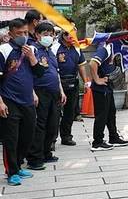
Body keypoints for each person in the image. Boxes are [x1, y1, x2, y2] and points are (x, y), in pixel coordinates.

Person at [0, 19, 44, 185]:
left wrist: (32, 57)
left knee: (27, 135)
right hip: (9, 100)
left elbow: (39, 73)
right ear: (11, 33)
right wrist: (0, 102)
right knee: (11, 138)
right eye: (19, 34)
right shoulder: (4, 50)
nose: (23, 36)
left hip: (28, 100)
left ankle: (18, 165)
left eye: (26, 33)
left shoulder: (31, 49)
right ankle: (11, 172)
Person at [27, 22, 66, 169]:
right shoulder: (33, 50)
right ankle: (35, 158)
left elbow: (55, 72)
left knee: (53, 125)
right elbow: (29, 73)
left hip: (54, 93)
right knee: (40, 125)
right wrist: (32, 93)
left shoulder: (50, 51)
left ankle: (46, 152)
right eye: (45, 34)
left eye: (51, 34)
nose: (49, 37)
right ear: (37, 35)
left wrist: (61, 91)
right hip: (40, 92)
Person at [89, 39, 128, 151]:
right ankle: (97, 142)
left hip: (107, 87)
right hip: (101, 88)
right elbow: (92, 63)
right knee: (101, 115)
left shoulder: (111, 48)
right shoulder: (105, 48)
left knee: (111, 113)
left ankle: (113, 137)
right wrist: (97, 80)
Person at [53, 29, 90, 146]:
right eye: (67, 33)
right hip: (58, 83)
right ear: (63, 34)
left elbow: (81, 66)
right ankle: (51, 140)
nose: (70, 36)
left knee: (70, 112)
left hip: (73, 81)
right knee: (55, 113)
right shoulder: (55, 47)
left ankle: (66, 137)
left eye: (73, 33)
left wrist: (85, 82)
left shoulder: (77, 47)